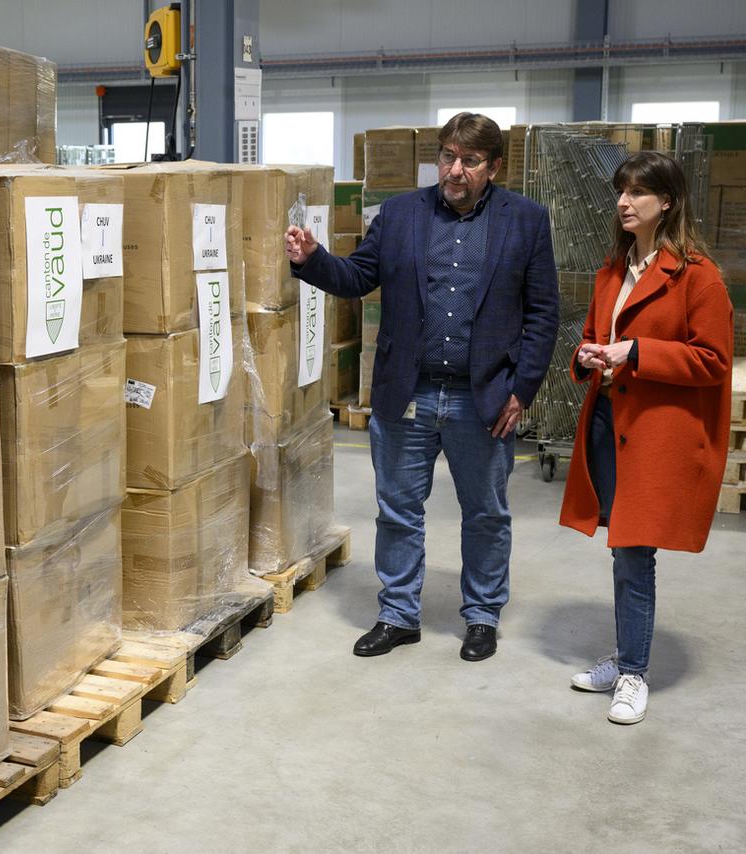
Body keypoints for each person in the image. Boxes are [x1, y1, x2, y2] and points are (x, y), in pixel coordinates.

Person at [284, 112, 558, 661]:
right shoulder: (402, 213)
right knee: (399, 510)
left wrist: (521, 390)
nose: (456, 170)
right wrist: (313, 260)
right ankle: (398, 613)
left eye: (471, 160)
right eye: (448, 156)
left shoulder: (525, 220)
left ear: (494, 166)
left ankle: (481, 616)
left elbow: (543, 314)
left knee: (485, 513)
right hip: (406, 391)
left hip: (481, 398)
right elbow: (359, 276)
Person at [559, 151, 734, 725]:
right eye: (621, 191)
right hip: (610, 424)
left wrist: (634, 352)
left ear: (668, 202)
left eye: (638, 193)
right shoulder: (613, 271)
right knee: (622, 548)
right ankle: (627, 653)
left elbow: (712, 361)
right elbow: (592, 338)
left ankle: (633, 671)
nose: (624, 202)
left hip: (656, 434)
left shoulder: (698, 275)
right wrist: (587, 356)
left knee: (634, 553)